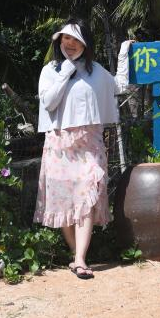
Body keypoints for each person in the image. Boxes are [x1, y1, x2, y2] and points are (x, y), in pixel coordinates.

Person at [35, 19, 132, 279]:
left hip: (90, 143)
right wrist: (66, 71)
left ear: (86, 44)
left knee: (89, 195)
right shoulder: (50, 71)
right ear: (59, 43)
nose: (70, 45)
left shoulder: (97, 71)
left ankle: (79, 259)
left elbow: (120, 87)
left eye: (76, 40)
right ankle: (75, 255)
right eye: (66, 40)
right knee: (63, 202)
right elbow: (49, 102)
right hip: (59, 143)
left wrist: (124, 53)